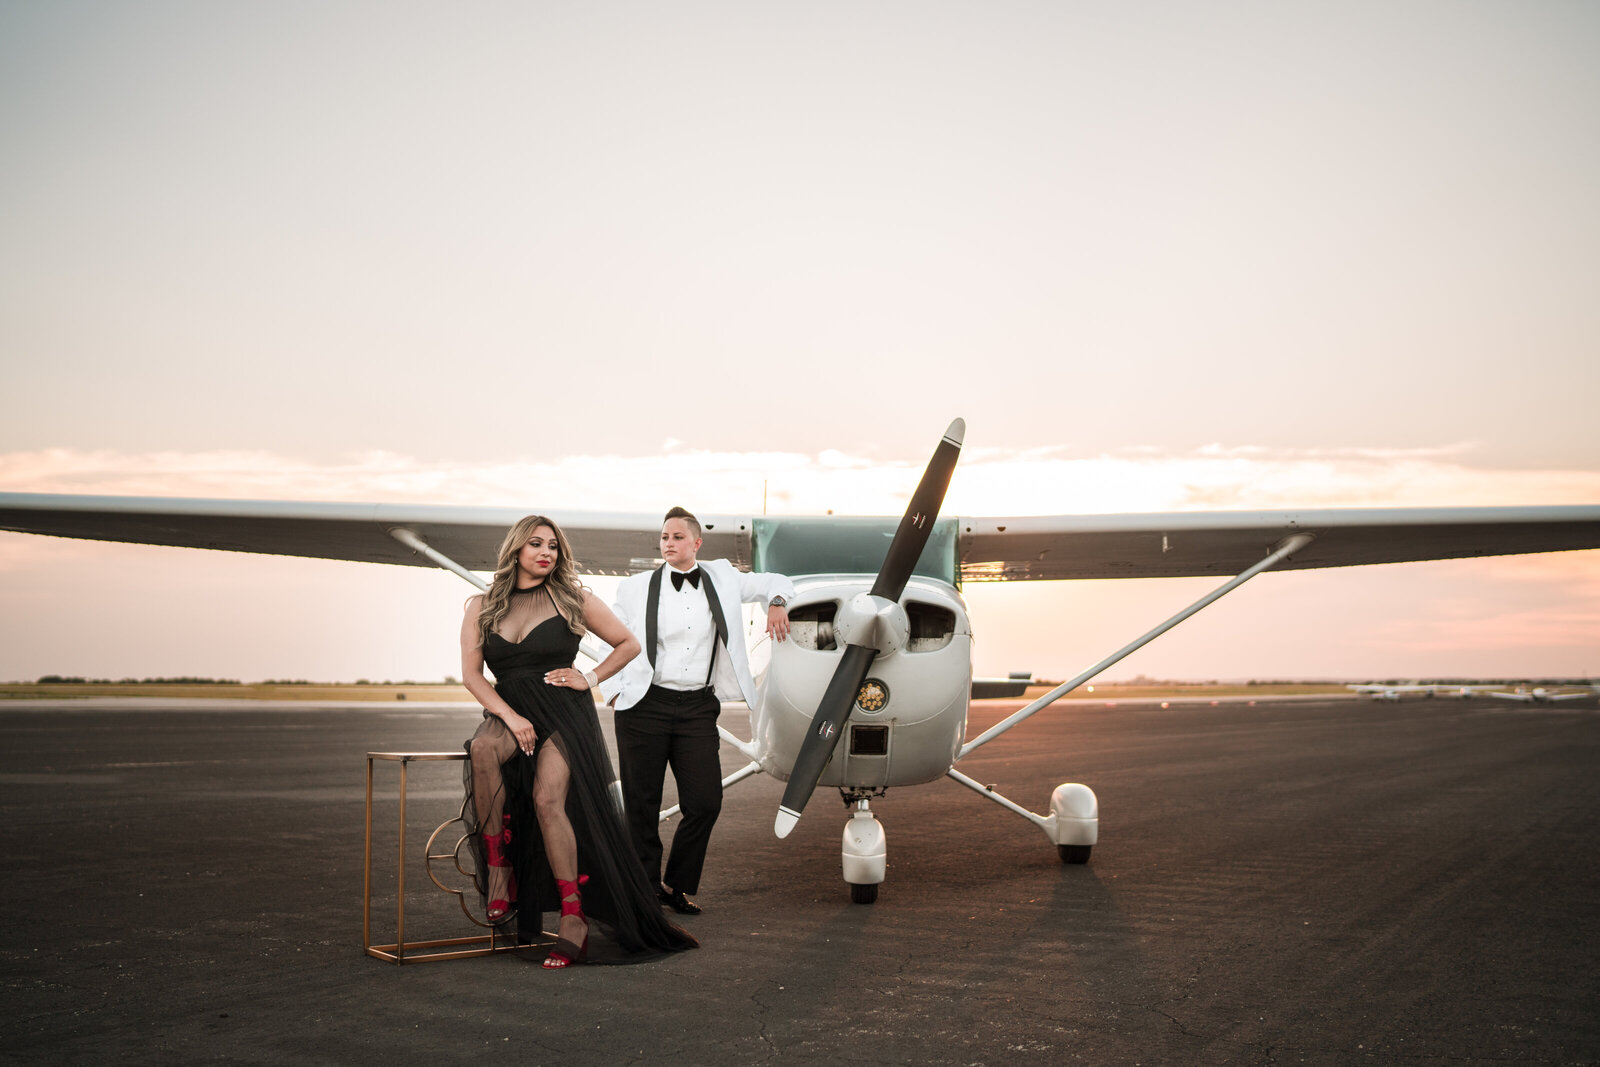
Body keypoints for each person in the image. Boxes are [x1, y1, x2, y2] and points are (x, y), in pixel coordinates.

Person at [460, 515, 697, 967]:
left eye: (553, 546)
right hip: (510, 710)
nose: (546, 552)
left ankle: (574, 917)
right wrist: (509, 717)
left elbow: (628, 644)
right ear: (516, 550)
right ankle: (499, 872)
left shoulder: (572, 598)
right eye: (535, 544)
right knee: (483, 749)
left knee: (548, 801)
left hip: (564, 713)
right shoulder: (482, 605)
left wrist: (588, 678)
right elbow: (472, 676)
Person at [601, 506, 794, 915]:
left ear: (696, 543)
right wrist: (615, 690)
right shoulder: (634, 589)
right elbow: (609, 638)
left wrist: (776, 602)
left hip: (696, 708)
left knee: (705, 802)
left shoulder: (722, 576)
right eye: (664, 538)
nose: (668, 544)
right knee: (641, 804)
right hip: (644, 706)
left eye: (677, 537)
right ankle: (644, 888)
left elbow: (776, 581)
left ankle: (678, 885)